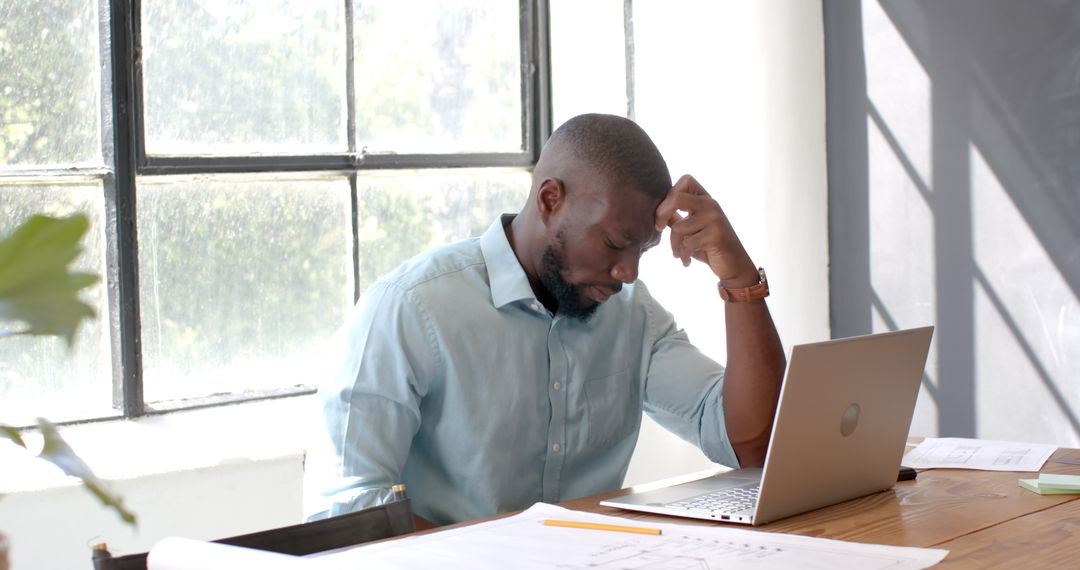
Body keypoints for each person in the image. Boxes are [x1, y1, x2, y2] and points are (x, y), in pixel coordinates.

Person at [303, 113, 785, 526]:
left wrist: (740, 281)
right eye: (617, 243)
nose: (629, 271)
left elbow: (750, 444)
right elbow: (351, 511)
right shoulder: (410, 308)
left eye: (645, 248)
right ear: (551, 199)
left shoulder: (632, 314)